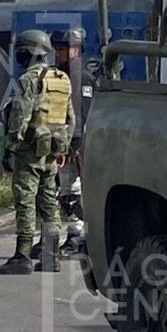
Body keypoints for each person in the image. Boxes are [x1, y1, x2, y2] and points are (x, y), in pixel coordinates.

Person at [0, 30, 75, 275]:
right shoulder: (61, 79)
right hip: (53, 150)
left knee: (25, 200)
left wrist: (11, 147)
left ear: (27, 53)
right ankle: (51, 257)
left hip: (29, 150)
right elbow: (70, 119)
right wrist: (64, 147)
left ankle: (22, 256)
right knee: (49, 202)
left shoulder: (28, 80)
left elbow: (20, 116)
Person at [41, 28, 96, 259]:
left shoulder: (79, 77)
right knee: (58, 191)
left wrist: (73, 145)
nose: (59, 53)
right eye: (57, 49)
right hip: (58, 141)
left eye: (63, 49)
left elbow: (81, 115)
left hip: (75, 143)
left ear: (76, 50)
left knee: (71, 190)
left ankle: (77, 237)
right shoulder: (59, 75)